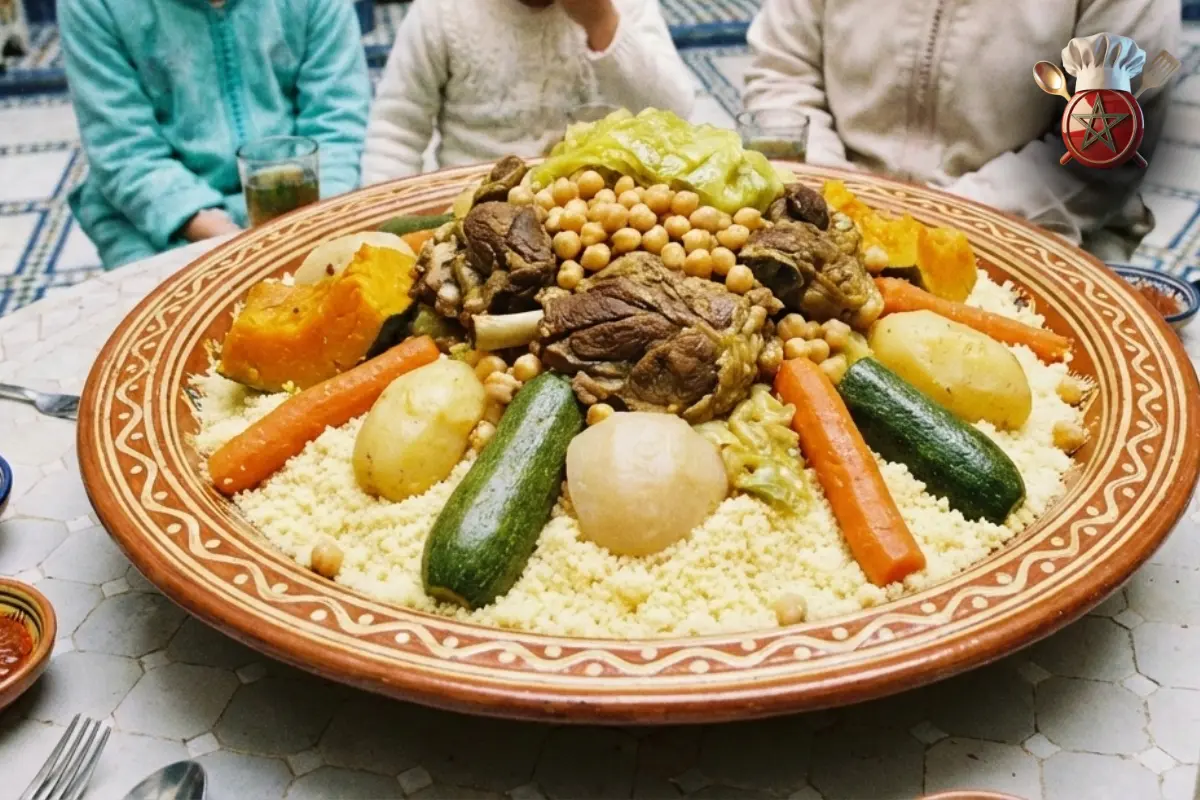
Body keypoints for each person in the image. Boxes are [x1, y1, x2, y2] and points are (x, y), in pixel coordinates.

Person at [742, 0, 1180, 260]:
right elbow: (783, 72)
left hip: (1034, 226)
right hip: (835, 209)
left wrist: (939, 219)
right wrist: (836, 200)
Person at [60, 0, 372, 269]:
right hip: (156, 220)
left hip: (300, 204)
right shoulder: (94, 6)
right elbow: (126, 153)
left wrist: (309, 229)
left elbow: (337, 123)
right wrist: (235, 246)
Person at [361, 0, 696, 184]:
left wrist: (602, 22)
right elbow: (395, 132)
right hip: (474, 210)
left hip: (602, 216)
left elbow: (676, 111)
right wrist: (380, 230)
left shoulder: (626, 6)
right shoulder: (441, 11)